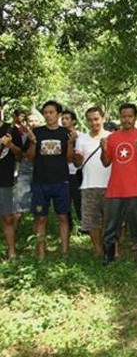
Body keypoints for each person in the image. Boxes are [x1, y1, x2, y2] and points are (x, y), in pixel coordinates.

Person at [101, 103, 137, 266]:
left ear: (135, 117)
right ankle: (108, 258)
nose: (126, 119)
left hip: (136, 189)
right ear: (120, 117)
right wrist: (104, 149)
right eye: (123, 116)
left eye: (129, 116)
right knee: (111, 225)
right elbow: (105, 163)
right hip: (114, 190)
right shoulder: (112, 137)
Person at [27, 100, 76, 258]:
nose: (48, 115)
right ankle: (41, 252)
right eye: (45, 113)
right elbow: (29, 157)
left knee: (63, 217)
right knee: (41, 218)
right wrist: (33, 143)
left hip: (61, 181)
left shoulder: (65, 133)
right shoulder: (37, 132)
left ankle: (64, 251)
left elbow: (69, 159)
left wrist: (70, 143)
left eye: (51, 112)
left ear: (59, 114)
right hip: (40, 181)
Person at [73, 107, 111, 257]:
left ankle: (111, 247)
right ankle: (98, 249)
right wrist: (76, 155)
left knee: (109, 219)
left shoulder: (111, 136)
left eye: (96, 119)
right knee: (91, 220)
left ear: (103, 118)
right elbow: (77, 164)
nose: (93, 122)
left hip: (109, 184)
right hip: (88, 184)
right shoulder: (81, 139)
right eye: (90, 119)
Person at [0, 109, 23, 258]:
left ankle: (11, 251)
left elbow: (20, 154)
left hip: (4, 179)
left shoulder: (10, 129)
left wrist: (10, 145)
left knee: (7, 217)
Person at [13, 113, 40, 229]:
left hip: (41, 173)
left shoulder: (44, 135)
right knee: (18, 203)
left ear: (39, 122)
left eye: (35, 120)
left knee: (39, 204)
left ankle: (37, 233)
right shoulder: (23, 136)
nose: (32, 123)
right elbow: (20, 154)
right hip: (25, 171)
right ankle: (13, 231)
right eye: (30, 121)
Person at [61, 110, 82, 231]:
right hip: (64, 173)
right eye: (62, 118)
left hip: (78, 173)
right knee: (65, 200)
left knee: (79, 200)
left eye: (67, 118)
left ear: (73, 121)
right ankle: (68, 226)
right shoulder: (60, 135)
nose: (64, 121)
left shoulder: (81, 136)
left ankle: (85, 225)